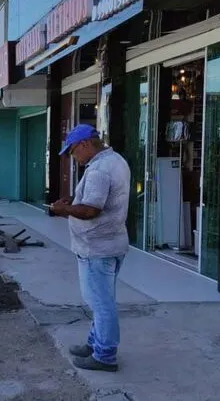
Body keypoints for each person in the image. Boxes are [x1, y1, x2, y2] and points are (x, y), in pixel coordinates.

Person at [48, 124, 130, 372]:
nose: (74, 157)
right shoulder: (114, 161)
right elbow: (95, 201)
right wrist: (73, 202)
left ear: (84, 144)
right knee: (102, 300)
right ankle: (95, 343)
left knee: (101, 303)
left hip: (97, 248)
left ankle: (104, 355)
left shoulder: (99, 170)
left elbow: (91, 210)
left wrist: (63, 209)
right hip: (110, 244)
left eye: (73, 151)